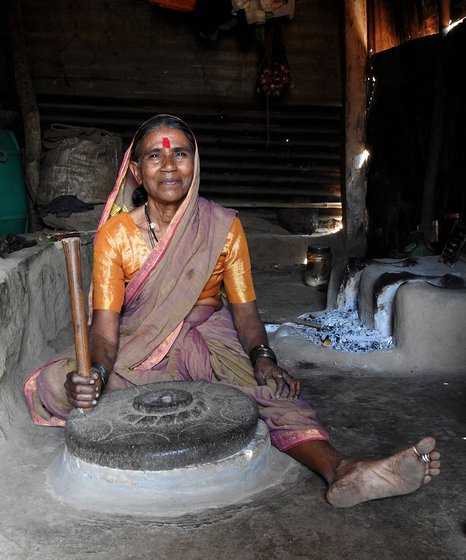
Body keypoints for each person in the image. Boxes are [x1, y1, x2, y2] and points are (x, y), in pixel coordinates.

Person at [24, 115, 440, 508]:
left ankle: (342, 470)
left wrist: (263, 358)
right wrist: (94, 374)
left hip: (209, 338)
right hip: (139, 344)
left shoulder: (222, 226)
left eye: (180, 153)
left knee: (276, 393)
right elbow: (104, 330)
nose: (169, 165)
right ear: (136, 171)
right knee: (56, 383)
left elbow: (245, 314)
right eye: (155, 155)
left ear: (195, 162)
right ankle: (189, 401)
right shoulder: (115, 235)